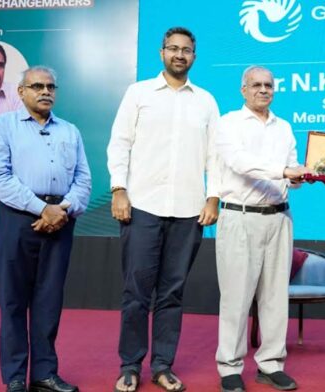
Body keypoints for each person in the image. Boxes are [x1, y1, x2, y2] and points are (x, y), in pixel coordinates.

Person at [107, 26, 220, 392]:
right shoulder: (138, 93)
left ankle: (162, 365)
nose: (179, 55)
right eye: (173, 48)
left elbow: (214, 156)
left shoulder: (206, 101)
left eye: (186, 50)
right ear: (161, 53)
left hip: (189, 210)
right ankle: (130, 365)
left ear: (194, 56)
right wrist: (119, 189)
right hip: (142, 206)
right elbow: (119, 144)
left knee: (172, 293)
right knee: (136, 291)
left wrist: (213, 196)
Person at [0, 66, 91, 392]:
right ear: (21, 91)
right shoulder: (2, 127)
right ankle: (15, 376)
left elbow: (83, 179)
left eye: (51, 86)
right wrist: (42, 208)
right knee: (14, 301)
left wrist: (63, 209)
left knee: (49, 301)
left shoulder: (70, 131)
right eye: (37, 86)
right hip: (17, 219)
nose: (45, 91)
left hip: (61, 219)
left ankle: (44, 373)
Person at [214, 65, 310, 392]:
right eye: (256, 85)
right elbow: (241, 164)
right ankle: (229, 367)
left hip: (280, 218)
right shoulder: (228, 124)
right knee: (236, 297)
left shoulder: (284, 127)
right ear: (243, 90)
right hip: (240, 217)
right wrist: (284, 171)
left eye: (268, 85)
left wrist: (299, 177)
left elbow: (291, 172)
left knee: (274, 297)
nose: (263, 90)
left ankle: (271, 364)